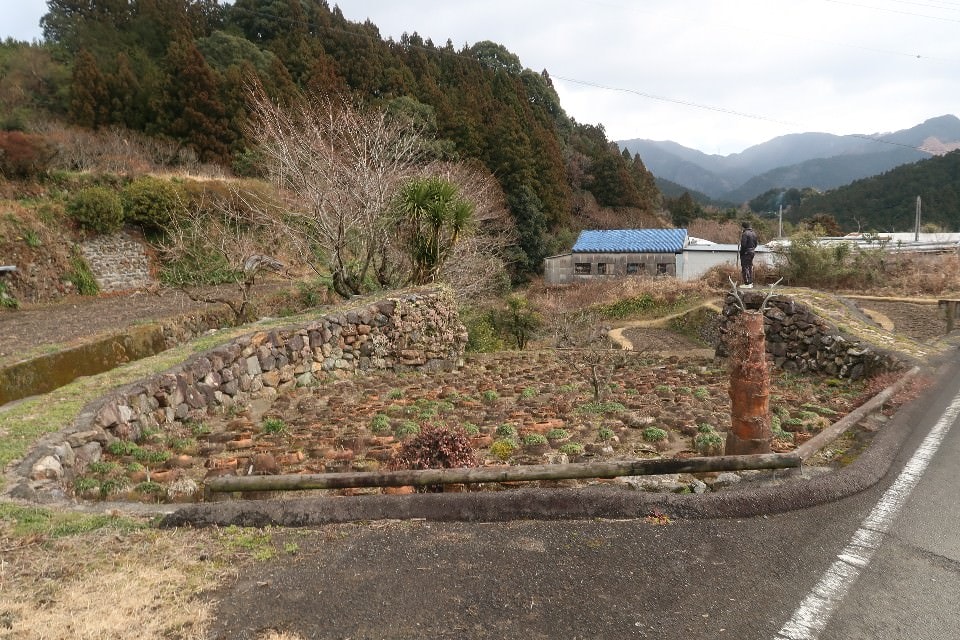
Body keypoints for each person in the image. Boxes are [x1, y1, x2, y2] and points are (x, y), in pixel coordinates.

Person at [738, 221, 758, 288]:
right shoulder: (753, 233)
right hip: (752, 252)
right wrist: (752, 249)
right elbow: (756, 244)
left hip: (746, 252)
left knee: (745, 267)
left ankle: (747, 283)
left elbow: (743, 245)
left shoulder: (745, 234)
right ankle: (750, 282)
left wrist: (742, 253)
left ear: (743, 227)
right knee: (749, 267)